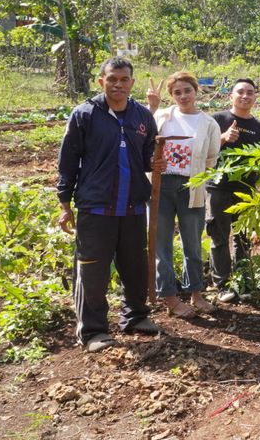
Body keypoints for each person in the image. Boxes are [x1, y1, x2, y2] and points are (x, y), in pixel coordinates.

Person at [57, 57, 167, 352]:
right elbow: (67, 162)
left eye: (124, 80)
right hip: (96, 207)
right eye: (112, 79)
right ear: (101, 81)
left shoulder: (143, 116)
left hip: (132, 206)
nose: (118, 85)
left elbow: (144, 157)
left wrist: (154, 162)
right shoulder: (84, 115)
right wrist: (64, 203)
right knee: (92, 270)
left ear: (132, 83)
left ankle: (135, 316)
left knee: (134, 266)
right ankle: (93, 331)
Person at [146, 71, 221, 317]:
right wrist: (151, 107)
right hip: (162, 186)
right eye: (177, 92)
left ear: (195, 91)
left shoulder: (208, 123)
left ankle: (196, 294)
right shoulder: (162, 116)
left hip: (192, 188)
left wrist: (199, 179)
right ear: (171, 96)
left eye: (187, 90)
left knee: (193, 242)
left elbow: (211, 158)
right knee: (162, 243)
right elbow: (146, 141)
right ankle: (170, 297)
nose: (183, 96)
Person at [207, 79, 260, 303]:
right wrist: (223, 139)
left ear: (255, 97)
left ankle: (242, 282)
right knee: (219, 236)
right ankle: (222, 284)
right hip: (218, 187)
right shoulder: (217, 120)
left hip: (246, 189)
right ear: (230, 96)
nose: (245, 96)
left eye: (250, 92)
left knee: (242, 238)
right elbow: (204, 151)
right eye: (240, 92)